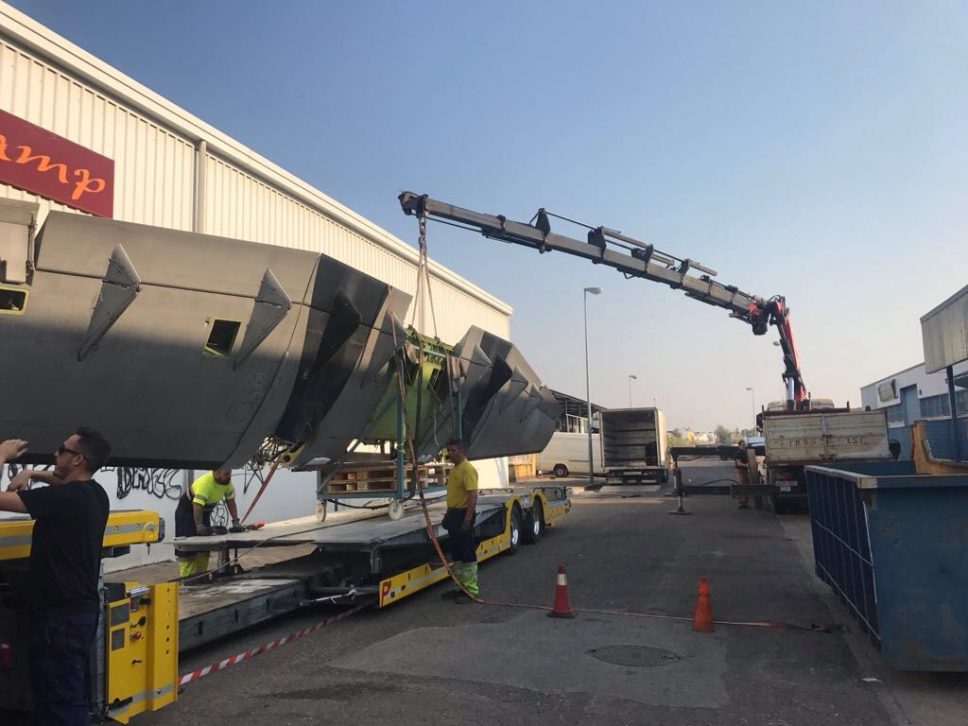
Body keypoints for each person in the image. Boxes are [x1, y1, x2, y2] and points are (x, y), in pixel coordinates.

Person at [0, 427, 112, 725]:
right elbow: (59, 481)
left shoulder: (66, 500)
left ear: (77, 460)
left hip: (58, 622)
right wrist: (33, 475)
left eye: (62, 450)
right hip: (77, 616)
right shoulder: (95, 494)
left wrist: (2, 454)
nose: (55, 454)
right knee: (62, 698)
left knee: (62, 706)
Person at [175, 468, 240, 578]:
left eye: (230, 474)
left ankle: (200, 577)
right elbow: (197, 505)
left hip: (204, 513)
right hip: (187, 513)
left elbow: (230, 501)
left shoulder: (227, 483)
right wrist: (199, 526)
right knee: (187, 548)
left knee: (204, 547)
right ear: (216, 472)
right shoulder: (205, 483)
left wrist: (236, 521)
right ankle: (186, 579)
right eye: (226, 474)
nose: (229, 476)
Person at [440, 439, 479, 604]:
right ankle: (459, 588)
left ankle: (471, 590)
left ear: (462, 450)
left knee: (466, 555)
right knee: (456, 554)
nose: (450, 453)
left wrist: (467, 520)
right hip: (454, 514)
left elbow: (472, 495)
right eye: (448, 450)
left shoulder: (467, 469)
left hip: (463, 515)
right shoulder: (455, 469)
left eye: (454, 450)